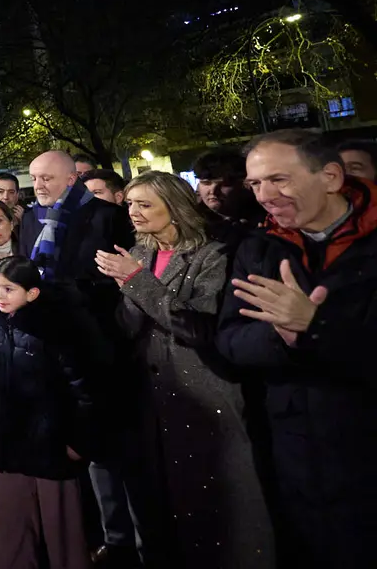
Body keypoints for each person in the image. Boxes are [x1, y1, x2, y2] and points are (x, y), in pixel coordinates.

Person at [96, 171, 274, 568]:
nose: (134, 213)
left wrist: (135, 282)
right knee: (162, 507)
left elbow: (198, 326)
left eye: (145, 204)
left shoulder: (212, 256)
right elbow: (128, 326)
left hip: (204, 392)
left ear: (174, 208)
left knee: (220, 507)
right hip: (151, 395)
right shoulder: (138, 254)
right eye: (130, 205)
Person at [217, 129, 377, 568]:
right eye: (255, 184)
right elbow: (230, 340)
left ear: (329, 176)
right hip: (295, 460)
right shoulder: (257, 247)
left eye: (278, 180)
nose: (265, 195)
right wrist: (283, 337)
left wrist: (314, 325)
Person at [21, 150, 139, 566]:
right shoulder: (32, 219)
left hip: (100, 348)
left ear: (72, 179)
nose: (38, 186)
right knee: (81, 448)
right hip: (54, 348)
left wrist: (55, 294)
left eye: (47, 178)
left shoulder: (107, 217)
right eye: (34, 179)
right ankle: (106, 533)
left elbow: (121, 284)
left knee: (114, 449)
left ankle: (138, 541)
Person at [0, 257, 95, 569]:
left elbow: (82, 389)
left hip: (50, 442)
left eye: (9, 289)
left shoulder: (57, 329)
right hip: (7, 442)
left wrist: (79, 441)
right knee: (9, 528)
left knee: (62, 528)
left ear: (33, 293)